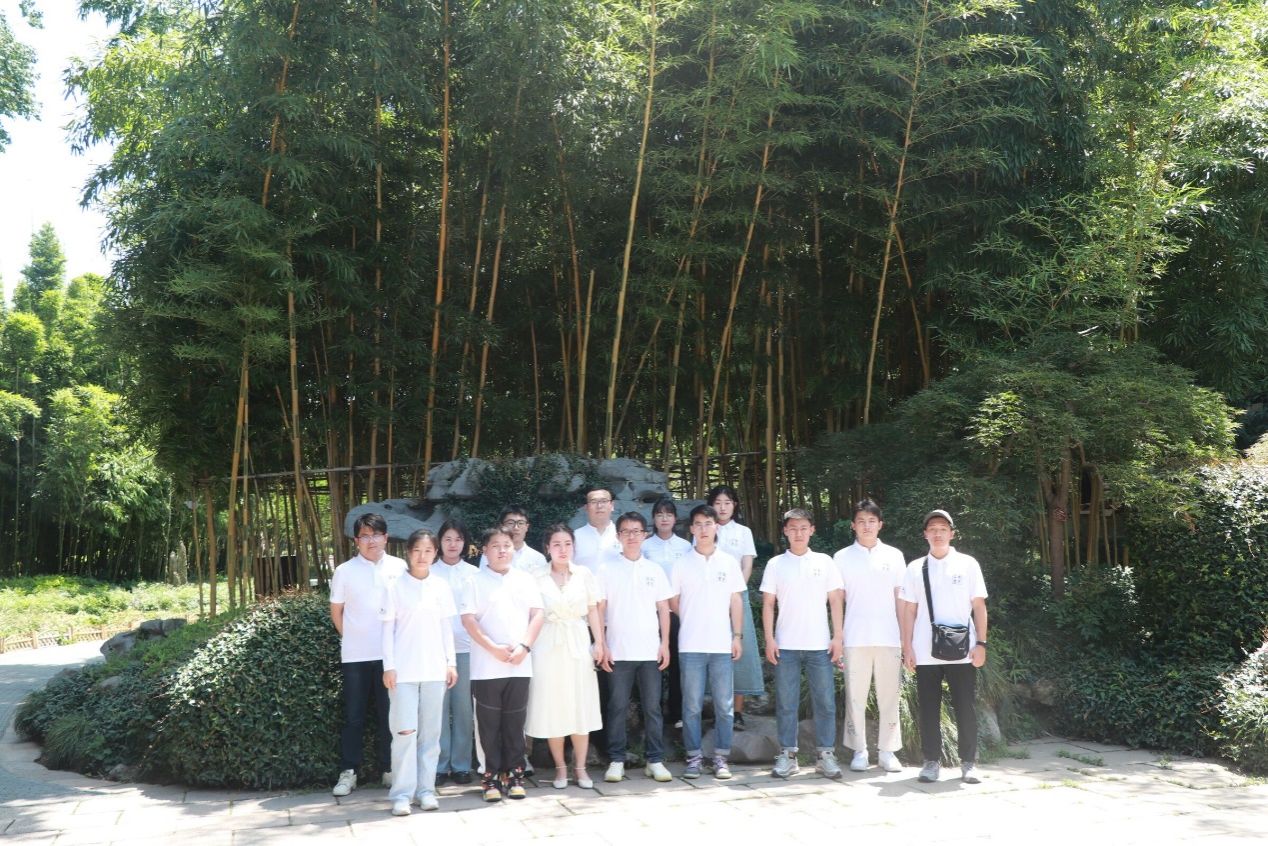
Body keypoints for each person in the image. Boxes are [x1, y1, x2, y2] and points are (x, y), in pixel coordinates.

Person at [899, 509, 989, 784]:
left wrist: (981, 643)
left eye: (942, 529)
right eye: (932, 529)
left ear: (952, 533)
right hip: (925, 650)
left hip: (963, 650)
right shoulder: (915, 568)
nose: (937, 534)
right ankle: (931, 761)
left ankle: (969, 763)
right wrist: (907, 647)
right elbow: (909, 610)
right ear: (925, 534)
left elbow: (979, 606)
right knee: (928, 708)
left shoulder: (968, 564)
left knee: (965, 707)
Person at [761, 508, 845, 779]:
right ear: (785, 531)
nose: (798, 533)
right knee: (786, 702)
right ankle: (787, 755)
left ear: (812, 530)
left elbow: (835, 600)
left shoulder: (825, 562)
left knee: (825, 702)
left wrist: (838, 636)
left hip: (820, 645)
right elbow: (768, 604)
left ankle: (825, 755)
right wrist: (770, 639)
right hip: (785, 644)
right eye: (793, 528)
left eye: (803, 527)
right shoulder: (776, 564)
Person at [462, 528, 545, 801]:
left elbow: (537, 614)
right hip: (486, 667)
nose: (502, 550)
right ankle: (490, 778)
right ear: (484, 550)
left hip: (520, 663)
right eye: (495, 545)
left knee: (515, 722)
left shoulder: (525, 580)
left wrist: (525, 646)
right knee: (487, 725)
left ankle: (515, 775)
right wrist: (492, 648)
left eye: (507, 545)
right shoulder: (474, 581)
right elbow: (468, 620)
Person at [381, 530, 458, 816]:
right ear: (408, 553)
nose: (422, 556)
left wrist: (451, 662)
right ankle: (402, 794)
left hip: (435, 670)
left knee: (431, 734)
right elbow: (387, 631)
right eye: (417, 550)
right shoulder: (394, 586)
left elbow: (446, 629)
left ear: (435, 553)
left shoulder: (441, 586)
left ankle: (426, 790)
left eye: (428, 551)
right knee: (404, 733)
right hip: (403, 672)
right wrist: (389, 666)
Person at [525, 524, 607, 790]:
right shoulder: (535, 576)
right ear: (547, 548)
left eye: (567, 544)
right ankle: (560, 768)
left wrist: (599, 642)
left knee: (580, 703)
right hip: (547, 643)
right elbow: (529, 613)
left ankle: (580, 768)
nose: (563, 549)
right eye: (557, 544)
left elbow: (593, 609)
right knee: (554, 706)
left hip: (577, 641)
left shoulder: (584, 574)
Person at [330, 513, 406, 797]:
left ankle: (389, 769)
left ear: (386, 537)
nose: (371, 540)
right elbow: (336, 611)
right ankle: (349, 772)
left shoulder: (400, 567)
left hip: (391, 657)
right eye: (365, 535)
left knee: (390, 716)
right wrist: (352, 637)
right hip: (355, 656)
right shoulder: (344, 571)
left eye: (376, 534)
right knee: (354, 716)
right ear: (356, 540)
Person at [596, 512, 674, 783]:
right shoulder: (606, 569)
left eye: (636, 531)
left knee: (653, 707)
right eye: (626, 531)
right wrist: (602, 644)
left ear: (645, 535)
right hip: (618, 650)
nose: (631, 536)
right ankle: (616, 759)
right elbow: (599, 609)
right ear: (618, 536)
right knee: (616, 706)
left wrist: (665, 644)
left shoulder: (654, 570)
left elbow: (663, 608)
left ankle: (655, 760)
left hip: (650, 651)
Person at [671, 504, 745, 779]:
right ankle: (693, 757)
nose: (703, 529)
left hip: (722, 645)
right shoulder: (681, 563)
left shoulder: (728, 562)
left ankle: (721, 757)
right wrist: (692, 617)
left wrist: (737, 636)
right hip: (690, 645)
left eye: (708, 523)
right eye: (698, 524)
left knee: (724, 706)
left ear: (716, 527)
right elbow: (673, 601)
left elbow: (736, 600)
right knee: (691, 706)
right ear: (691, 528)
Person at [833, 498, 907, 773]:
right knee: (855, 697)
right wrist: (838, 636)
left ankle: (887, 751)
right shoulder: (841, 557)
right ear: (853, 525)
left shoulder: (894, 555)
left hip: (889, 636)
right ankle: (859, 750)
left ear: (880, 525)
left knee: (890, 695)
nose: (866, 526)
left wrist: (905, 637)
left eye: (871, 521)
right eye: (861, 521)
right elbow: (837, 601)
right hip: (855, 636)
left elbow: (901, 599)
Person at [703, 486, 763, 728]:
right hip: (710, 599)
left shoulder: (743, 532)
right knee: (713, 649)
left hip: (738, 596)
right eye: (717, 502)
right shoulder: (705, 529)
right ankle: (718, 711)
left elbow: (747, 565)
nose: (722, 507)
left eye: (727, 502)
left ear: (734, 505)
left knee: (740, 651)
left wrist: (736, 592)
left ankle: (737, 712)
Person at [433, 519, 478, 785]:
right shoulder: (428, 572)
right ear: (439, 542)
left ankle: (461, 765)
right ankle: (439, 766)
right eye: (448, 539)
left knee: (463, 708)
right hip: (434, 649)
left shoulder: (474, 573)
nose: (453, 544)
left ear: (465, 543)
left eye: (458, 539)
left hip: (465, 648)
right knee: (437, 708)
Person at [643, 497, 691, 729]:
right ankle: (649, 712)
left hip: (677, 611)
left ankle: (676, 712)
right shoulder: (644, 546)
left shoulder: (685, 546)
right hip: (649, 612)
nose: (664, 518)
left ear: (675, 519)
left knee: (676, 662)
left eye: (668, 514)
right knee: (650, 662)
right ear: (653, 518)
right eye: (659, 514)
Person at [480, 505, 548, 573]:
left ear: (527, 527)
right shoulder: (490, 554)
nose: (516, 527)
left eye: (521, 523)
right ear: (502, 525)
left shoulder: (538, 558)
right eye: (510, 523)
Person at [573, 487, 620, 570]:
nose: (599, 506)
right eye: (593, 502)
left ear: (612, 505)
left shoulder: (623, 534)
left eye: (604, 501)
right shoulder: (574, 536)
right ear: (586, 508)